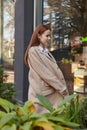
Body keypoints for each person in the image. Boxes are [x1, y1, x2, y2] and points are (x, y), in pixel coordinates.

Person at [24, 24, 69, 113]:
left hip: (52, 90)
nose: (49, 38)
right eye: (47, 36)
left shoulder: (45, 51)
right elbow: (44, 73)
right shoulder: (33, 51)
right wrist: (61, 87)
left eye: (50, 36)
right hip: (44, 94)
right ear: (39, 36)